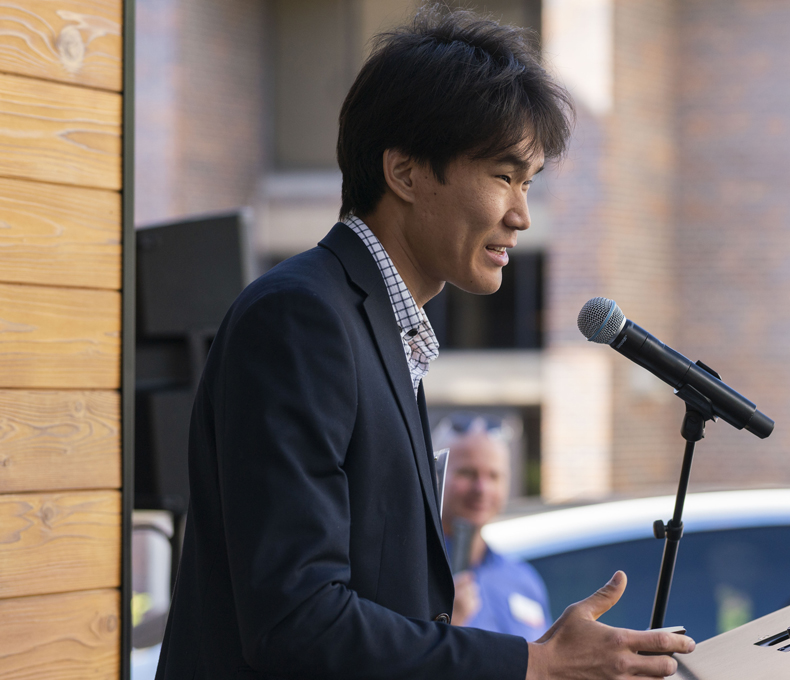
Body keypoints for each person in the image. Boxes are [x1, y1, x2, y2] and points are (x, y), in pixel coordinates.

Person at [154, 7, 693, 679]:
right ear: (405, 173)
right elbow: (300, 623)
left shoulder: (378, 323)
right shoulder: (301, 319)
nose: (521, 215)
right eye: (502, 176)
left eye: (528, 182)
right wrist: (531, 663)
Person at [433, 413, 550, 640]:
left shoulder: (523, 579)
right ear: (435, 476)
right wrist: (445, 626)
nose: (482, 488)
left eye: (494, 476)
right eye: (467, 473)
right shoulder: (413, 571)